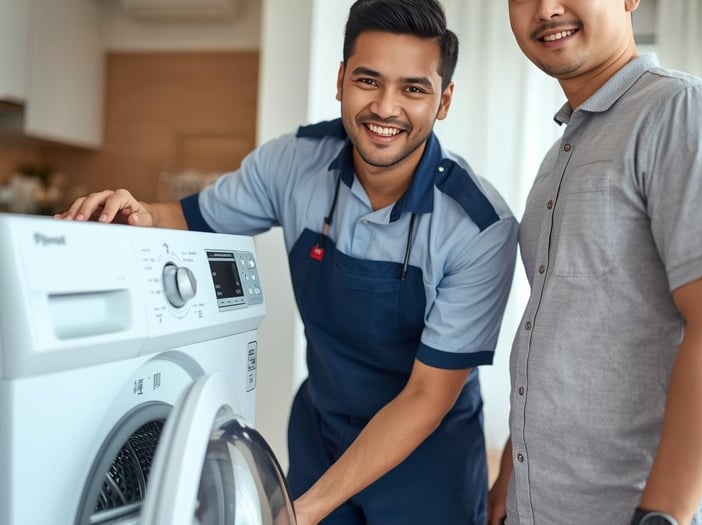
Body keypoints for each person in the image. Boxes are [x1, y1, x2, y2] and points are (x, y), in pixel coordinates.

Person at [57, 1, 519, 524]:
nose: (386, 108)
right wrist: (135, 211)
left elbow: (426, 397)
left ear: (444, 101)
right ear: (341, 80)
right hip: (321, 435)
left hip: (427, 458)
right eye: (368, 80)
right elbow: (189, 218)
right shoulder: (291, 162)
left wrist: (302, 511)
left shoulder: (479, 226)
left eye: (413, 88)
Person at [487, 1, 702, 524]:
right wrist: (513, 470)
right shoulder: (561, 154)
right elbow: (565, 333)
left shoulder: (683, 113)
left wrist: (661, 516)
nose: (547, 8)